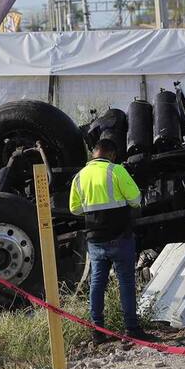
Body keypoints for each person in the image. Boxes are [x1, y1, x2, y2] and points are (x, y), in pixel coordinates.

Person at [69, 138, 156, 343]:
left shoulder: (79, 177)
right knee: (125, 282)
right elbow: (135, 200)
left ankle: (97, 331)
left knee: (97, 283)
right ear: (112, 155)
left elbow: (74, 208)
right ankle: (131, 329)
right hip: (120, 237)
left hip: (95, 241)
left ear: (94, 154)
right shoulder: (117, 171)